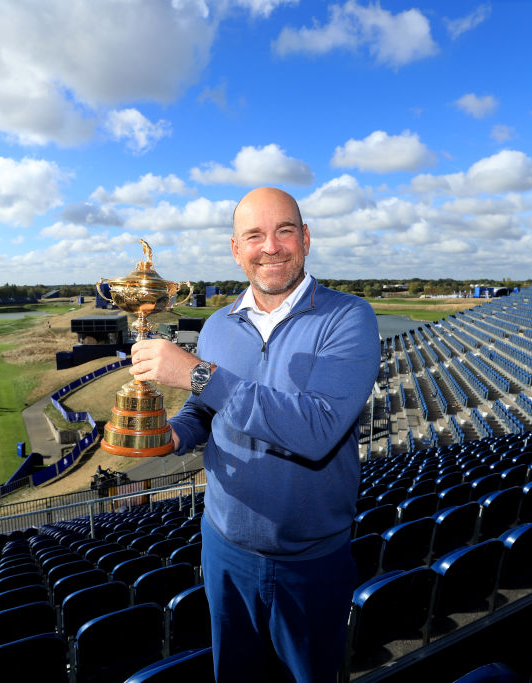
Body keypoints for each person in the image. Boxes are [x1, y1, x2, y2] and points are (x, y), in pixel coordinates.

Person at [129, 187, 379, 682]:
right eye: (255, 235)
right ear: (236, 249)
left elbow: (317, 429)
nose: (271, 246)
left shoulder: (349, 318)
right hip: (224, 547)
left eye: (285, 230)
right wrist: (173, 435)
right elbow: (205, 410)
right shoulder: (219, 325)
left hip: (312, 559)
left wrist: (199, 374)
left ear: (305, 239)